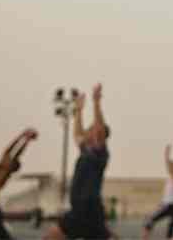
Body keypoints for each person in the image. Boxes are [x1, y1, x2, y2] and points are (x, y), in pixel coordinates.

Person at [44, 84, 113, 240]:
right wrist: (79, 111)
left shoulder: (100, 154)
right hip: (78, 209)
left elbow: (99, 129)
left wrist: (96, 102)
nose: (87, 131)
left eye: (91, 130)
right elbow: (77, 134)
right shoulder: (86, 151)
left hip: (89, 210)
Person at [142, 143, 173, 239]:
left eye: (172, 167)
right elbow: (168, 163)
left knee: (155, 220)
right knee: (164, 223)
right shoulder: (170, 178)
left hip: (172, 205)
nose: (170, 168)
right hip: (168, 205)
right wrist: (167, 154)